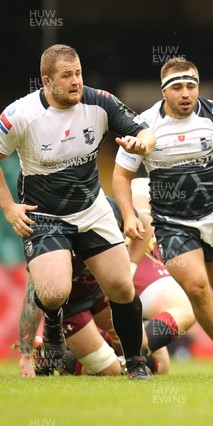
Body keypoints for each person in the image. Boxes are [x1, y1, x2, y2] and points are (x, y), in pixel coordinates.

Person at [0, 44, 155, 379]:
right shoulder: (20, 115)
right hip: (45, 217)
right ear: (46, 81)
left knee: (122, 288)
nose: (76, 81)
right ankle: (52, 331)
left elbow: (144, 131)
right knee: (54, 292)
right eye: (66, 76)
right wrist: (9, 207)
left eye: (78, 73)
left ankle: (136, 364)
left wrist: (144, 143)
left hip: (91, 208)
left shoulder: (100, 102)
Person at [113, 57, 213, 378]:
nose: (185, 93)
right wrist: (127, 214)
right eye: (177, 87)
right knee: (195, 287)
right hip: (171, 222)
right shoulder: (143, 125)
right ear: (163, 91)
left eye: (191, 86)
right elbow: (121, 176)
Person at [18, 192, 196, 377]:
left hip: (100, 290)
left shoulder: (105, 210)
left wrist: (131, 267)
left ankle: (93, 353)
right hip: (72, 308)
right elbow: (32, 299)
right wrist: (25, 356)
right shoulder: (50, 238)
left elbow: (144, 222)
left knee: (158, 360)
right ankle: (47, 356)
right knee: (111, 371)